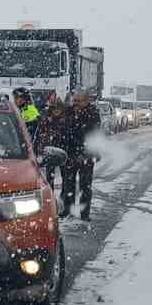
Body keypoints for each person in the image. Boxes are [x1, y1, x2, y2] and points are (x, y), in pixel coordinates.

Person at [57, 91, 103, 220]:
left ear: (86, 101)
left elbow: (93, 134)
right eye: (74, 100)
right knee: (68, 185)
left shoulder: (92, 114)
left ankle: (84, 214)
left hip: (86, 156)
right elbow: (62, 130)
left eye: (78, 100)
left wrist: (87, 153)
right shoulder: (68, 112)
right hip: (70, 154)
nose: (75, 103)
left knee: (85, 186)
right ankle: (67, 210)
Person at [36, 97, 69, 190]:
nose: (56, 111)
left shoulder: (65, 121)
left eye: (58, 109)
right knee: (50, 176)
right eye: (55, 108)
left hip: (63, 150)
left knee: (65, 175)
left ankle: (64, 194)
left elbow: (68, 135)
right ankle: (51, 194)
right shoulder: (46, 120)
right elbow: (39, 135)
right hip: (50, 150)